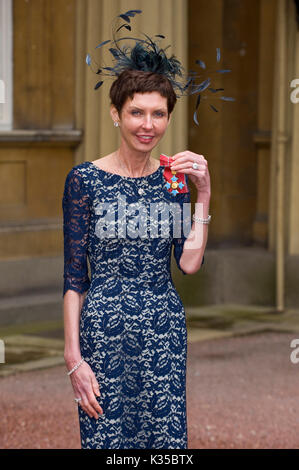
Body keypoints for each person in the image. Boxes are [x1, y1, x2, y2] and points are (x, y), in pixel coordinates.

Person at [62, 9, 225, 449]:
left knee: (164, 442)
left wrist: (203, 195)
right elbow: (75, 277)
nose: (147, 125)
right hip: (103, 331)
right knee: (107, 441)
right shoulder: (85, 180)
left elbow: (188, 264)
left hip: (163, 328)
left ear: (169, 118)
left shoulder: (173, 180)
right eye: (136, 112)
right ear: (116, 114)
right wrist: (74, 358)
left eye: (158, 114)